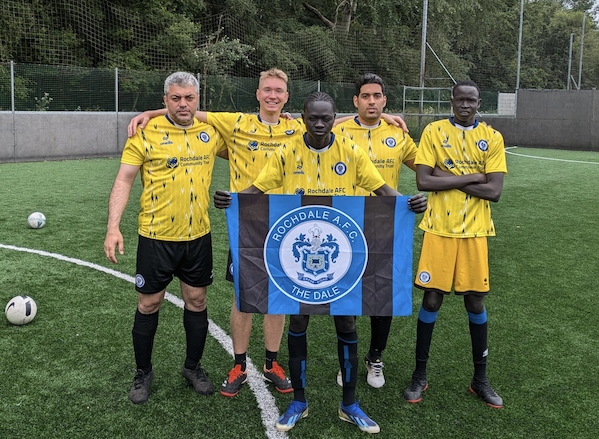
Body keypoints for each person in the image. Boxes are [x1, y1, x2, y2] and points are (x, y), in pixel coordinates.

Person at [126, 68, 409, 398]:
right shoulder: (236, 123)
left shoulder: (296, 126)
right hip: (248, 224)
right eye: (267, 90)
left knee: (279, 298)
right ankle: (238, 363)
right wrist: (151, 112)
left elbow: (331, 118)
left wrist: (383, 115)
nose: (273, 95)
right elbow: (186, 106)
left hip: (285, 227)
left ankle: (272, 363)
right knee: (244, 298)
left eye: (279, 90)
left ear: (287, 98)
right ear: (258, 94)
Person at [214, 91, 426, 434]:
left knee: (346, 326)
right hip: (298, 262)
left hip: (341, 256)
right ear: (303, 117)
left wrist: (407, 204)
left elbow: (380, 189)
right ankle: (298, 401)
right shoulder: (288, 151)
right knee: (298, 324)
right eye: (313, 117)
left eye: (326, 118)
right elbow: (260, 188)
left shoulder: (350, 151)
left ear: (333, 117)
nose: (319, 124)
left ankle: (350, 404)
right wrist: (233, 200)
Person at [104, 71, 226, 404]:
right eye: (175, 98)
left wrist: (279, 118)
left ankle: (193, 366)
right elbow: (124, 180)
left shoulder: (212, 132)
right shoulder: (144, 133)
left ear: (199, 100)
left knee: (197, 301)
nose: (183, 104)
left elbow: (253, 139)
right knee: (148, 303)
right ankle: (143, 372)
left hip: (198, 236)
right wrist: (113, 226)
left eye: (189, 98)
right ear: (165, 100)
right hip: (155, 237)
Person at [403, 80, 507, 408]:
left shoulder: (492, 137)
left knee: (475, 302)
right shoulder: (434, 132)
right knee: (432, 300)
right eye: (460, 99)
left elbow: (495, 192)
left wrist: (445, 178)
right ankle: (420, 376)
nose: (465, 105)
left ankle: (481, 379)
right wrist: (473, 176)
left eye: (471, 100)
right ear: (452, 101)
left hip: (476, 231)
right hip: (439, 229)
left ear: (479, 103)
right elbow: (423, 181)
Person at [334, 73, 418, 389]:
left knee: (382, 294)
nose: (372, 101)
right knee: (348, 295)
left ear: (384, 99)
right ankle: (349, 360)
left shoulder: (397, 135)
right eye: (365, 96)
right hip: (347, 225)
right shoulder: (339, 130)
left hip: (386, 224)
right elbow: (308, 125)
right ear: (355, 100)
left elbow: (426, 165)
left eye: (377, 96)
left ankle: (375, 357)